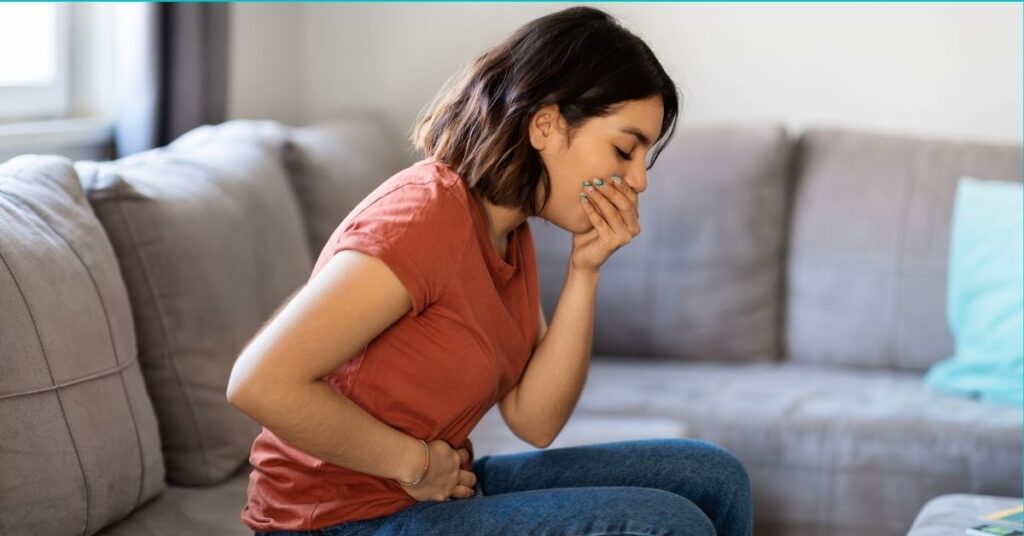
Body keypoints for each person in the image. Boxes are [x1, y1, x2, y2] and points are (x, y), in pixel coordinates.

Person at [226, 6, 752, 536]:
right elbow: (261, 382)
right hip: (340, 519)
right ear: (546, 125)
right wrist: (415, 463)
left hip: (437, 494)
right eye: (624, 149)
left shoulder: (508, 232)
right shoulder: (423, 216)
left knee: (713, 475)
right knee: (666, 523)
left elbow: (535, 420)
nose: (637, 181)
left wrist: (585, 270)